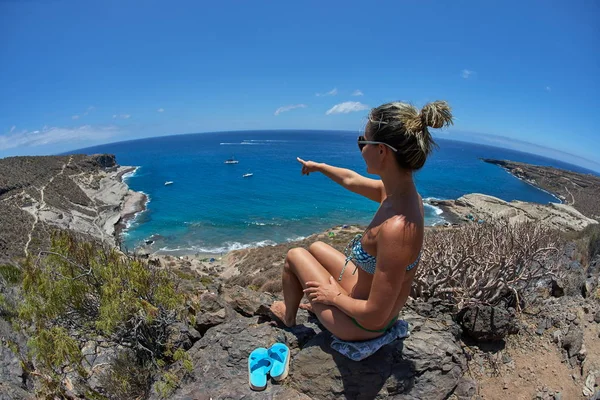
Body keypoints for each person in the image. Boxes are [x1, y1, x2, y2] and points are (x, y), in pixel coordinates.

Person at [270, 101, 453, 341]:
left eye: (362, 142)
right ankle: (316, 307)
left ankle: (290, 319)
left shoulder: (396, 229)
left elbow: (375, 316)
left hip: (362, 325)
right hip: (360, 294)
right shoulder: (403, 195)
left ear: (381, 151)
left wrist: (333, 296)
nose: (360, 148)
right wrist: (319, 167)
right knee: (316, 247)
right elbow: (351, 180)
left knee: (295, 255)